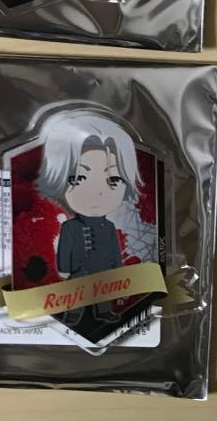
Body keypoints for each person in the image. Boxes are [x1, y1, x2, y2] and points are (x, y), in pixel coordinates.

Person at [36, 109, 140, 323]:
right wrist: (64, 269)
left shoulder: (109, 227)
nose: (97, 192)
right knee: (77, 293)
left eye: (113, 180)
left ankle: (104, 311)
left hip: (104, 271)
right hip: (79, 270)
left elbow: (114, 250)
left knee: (103, 292)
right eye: (79, 178)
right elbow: (65, 248)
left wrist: (117, 270)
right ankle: (73, 314)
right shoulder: (70, 227)